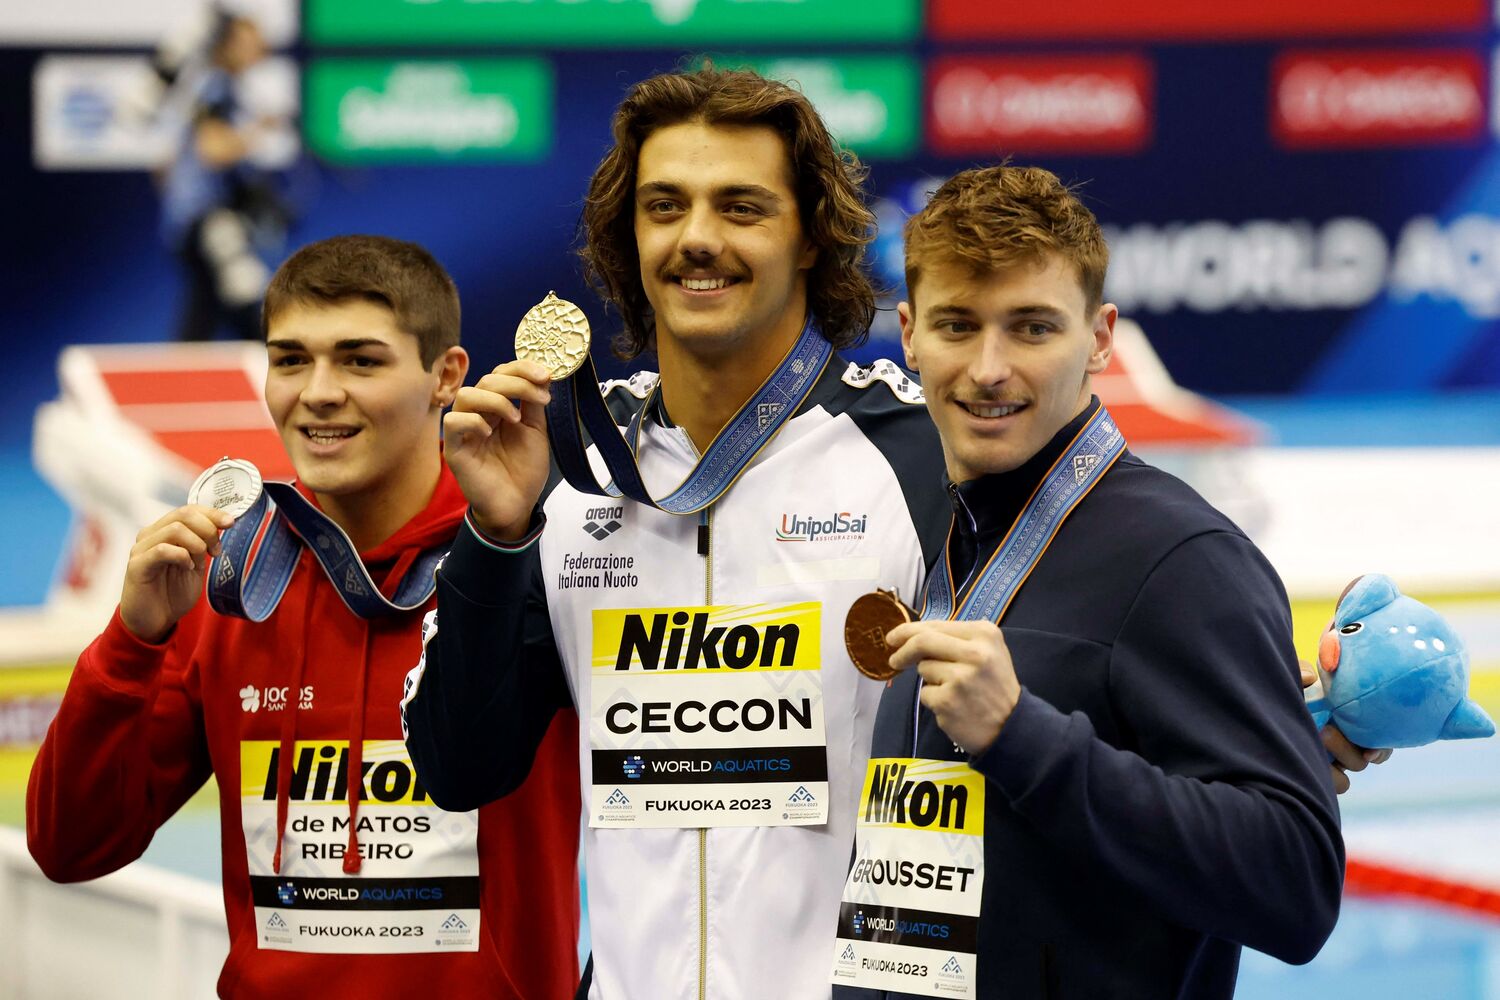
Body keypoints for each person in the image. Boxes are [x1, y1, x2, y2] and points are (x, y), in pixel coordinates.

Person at [401, 68, 950, 999]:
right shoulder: (565, 464)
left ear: (812, 236)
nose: (697, 237)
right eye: (665, 207)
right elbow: (461, 767)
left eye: (741, 206)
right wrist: (495, 537)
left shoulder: (924, 457)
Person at [829, 165, 1344, 999]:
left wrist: (1022, 737)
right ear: (911, 333)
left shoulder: (1184, 559)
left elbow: (1297, 886)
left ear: (1100, 339)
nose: (988, 369)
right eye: (958, 325)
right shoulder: (927, 529)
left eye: (1032, 328)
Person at [28, 235, 581, 998]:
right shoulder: (229, 582)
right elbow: (69, 847)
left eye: (360, 361)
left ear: (446, 376)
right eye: (290, 360)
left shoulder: (533, 563)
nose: (318, 392)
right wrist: (133, 640)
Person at [158, 10, 288, 342]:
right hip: (206, 219)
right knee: (243, 290)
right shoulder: (217, 86)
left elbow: (163, 165)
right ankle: (274, 359)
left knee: (208, 306)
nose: (259, 50)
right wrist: (259, 129)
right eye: (249, 43)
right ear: (228, 45)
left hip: (193, 218)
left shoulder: (208, 84)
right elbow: (213, 150)